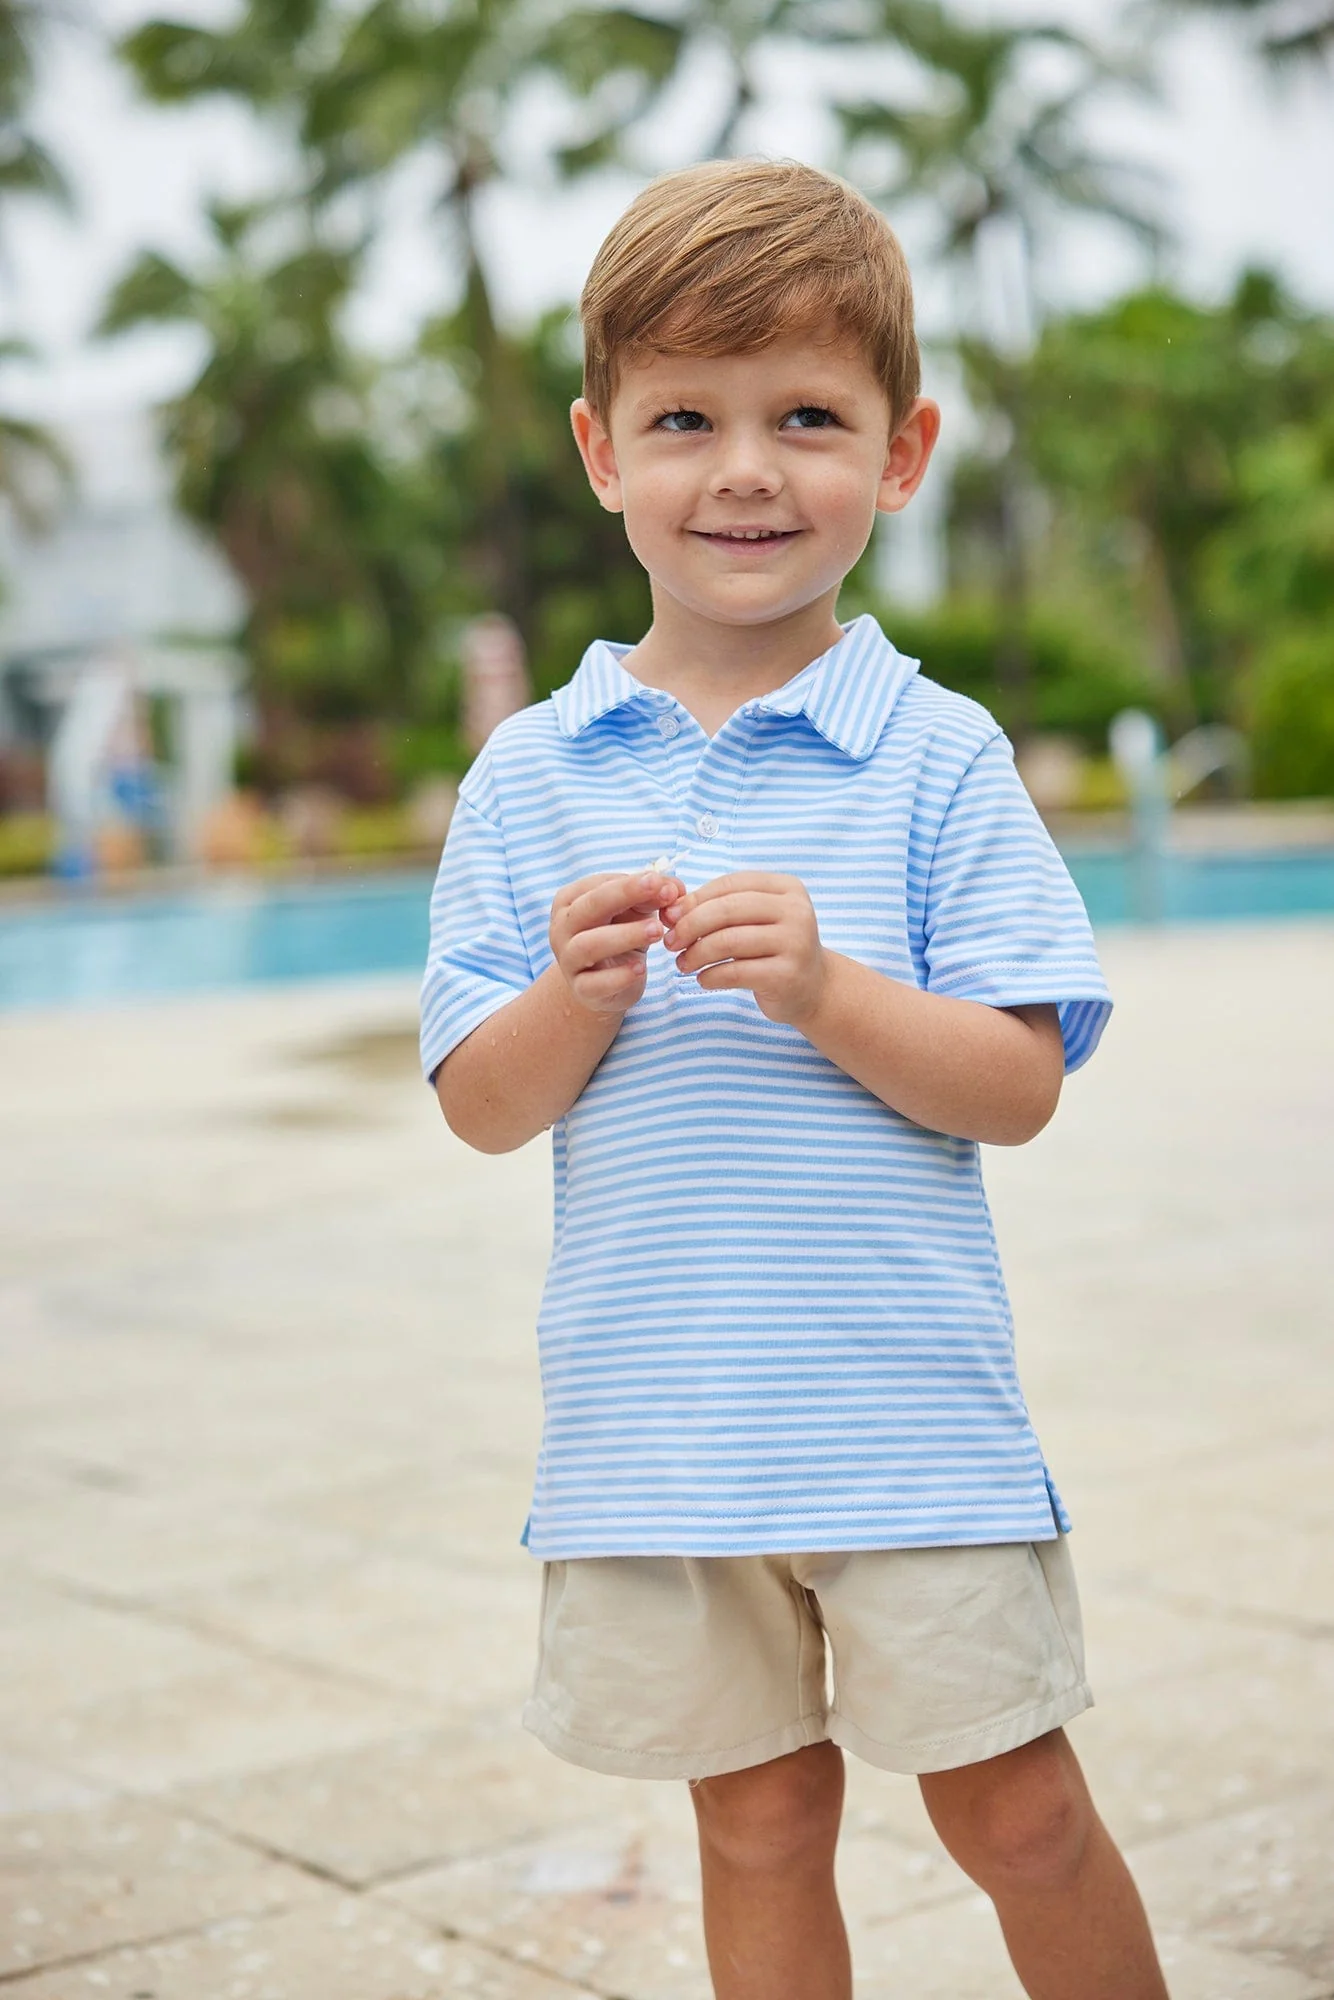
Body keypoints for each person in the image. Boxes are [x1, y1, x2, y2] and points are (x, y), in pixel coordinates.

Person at [421, 157, 1168, 2000]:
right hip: (654, 1442)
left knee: (1019, 1815)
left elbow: (1015, 1084)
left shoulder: (934, 752)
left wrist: (828, 985)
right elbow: (478, 1100)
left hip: (901, 1419)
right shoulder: (529, 773)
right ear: (602, 454)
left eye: (806, 419)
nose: (744, 469)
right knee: (751, 1825)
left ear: (900, 454)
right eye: (685, 417)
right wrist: (571, 1003)